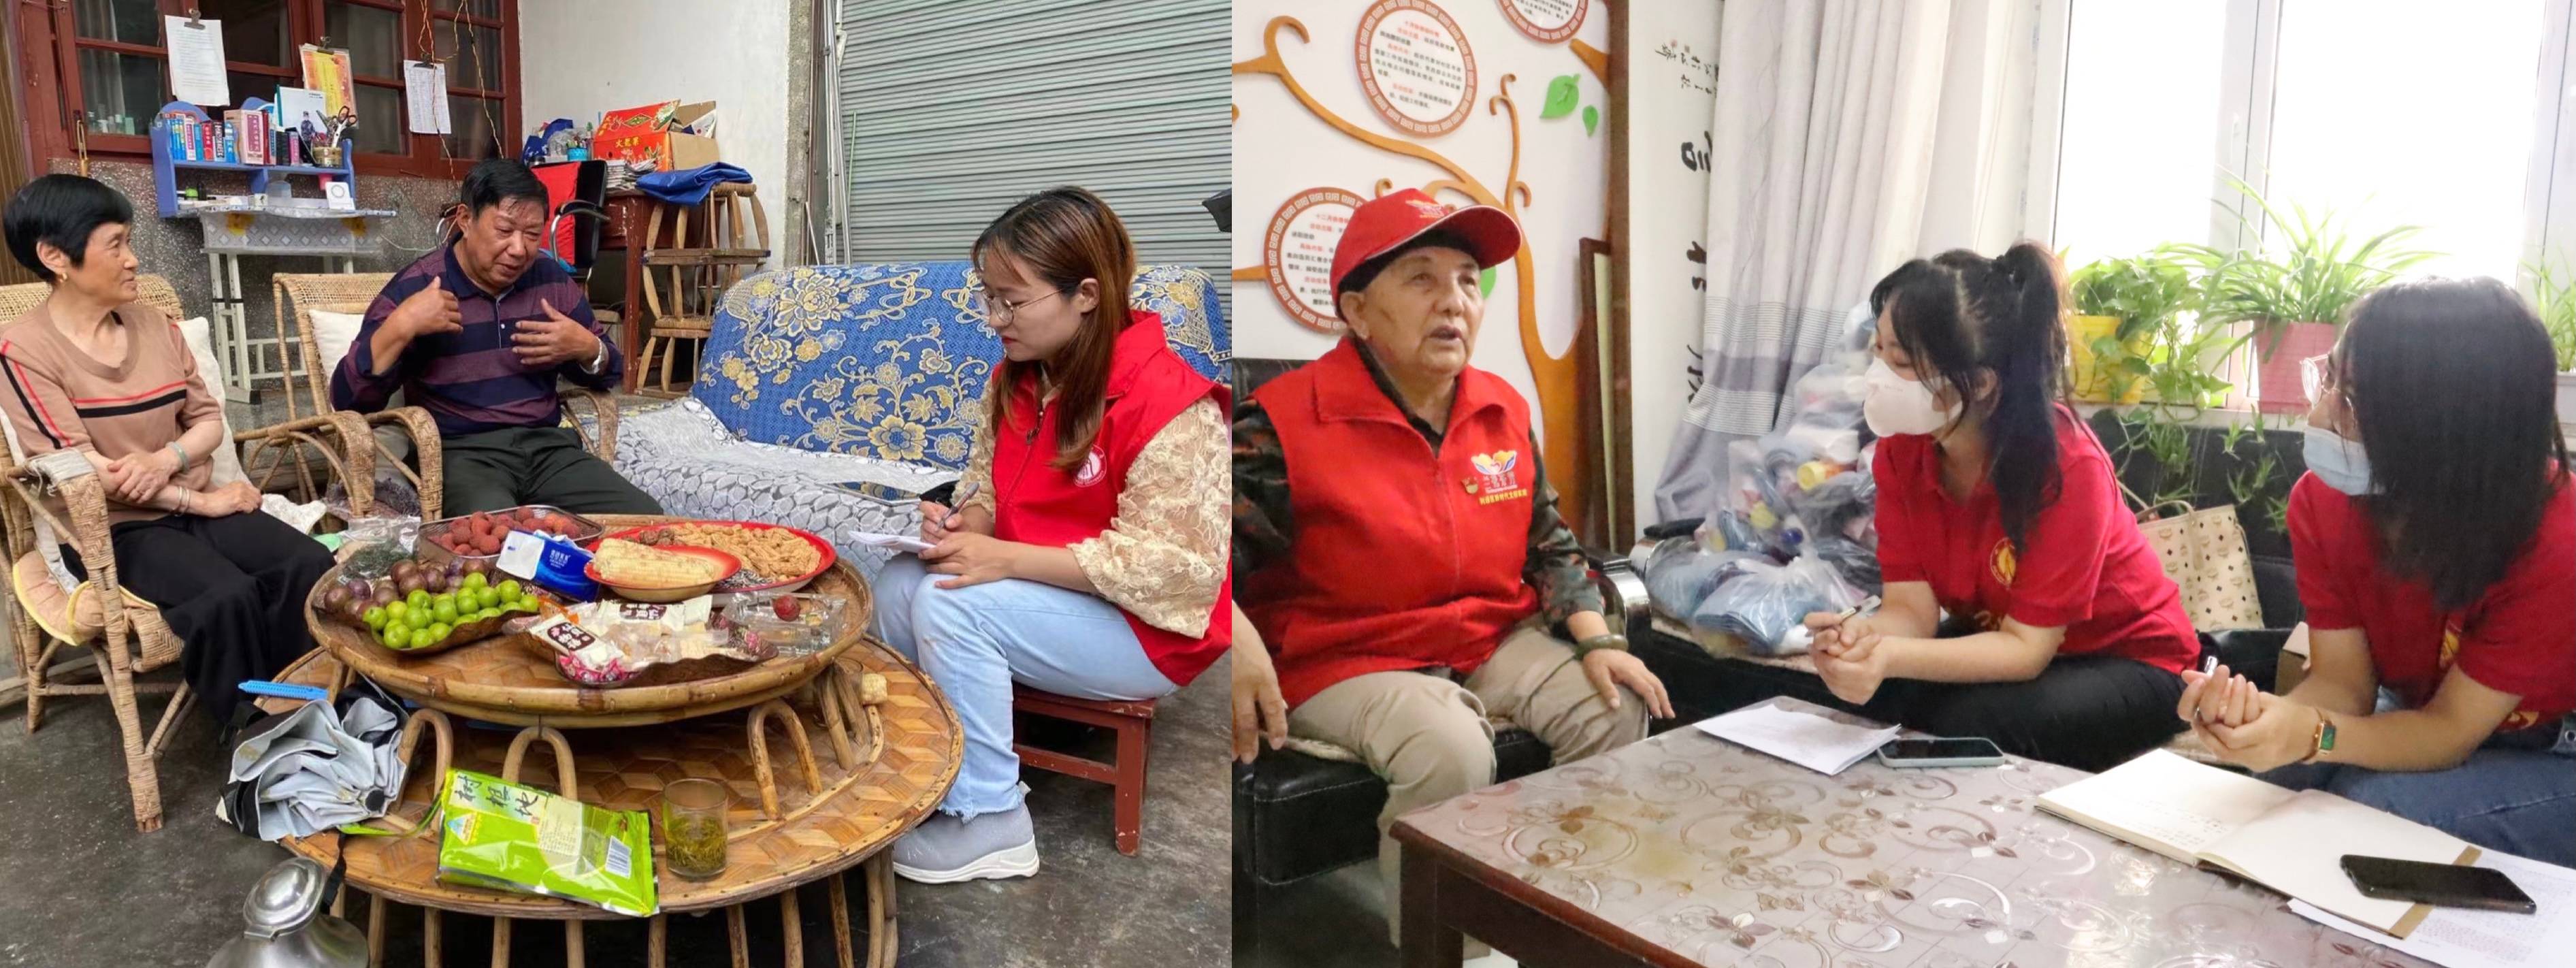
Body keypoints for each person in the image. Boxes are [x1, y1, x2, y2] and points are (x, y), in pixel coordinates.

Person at [1230, 189, 1674, 941]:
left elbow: (1549, 542)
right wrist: (1236, 641)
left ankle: (1560, 920)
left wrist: (1598, 639)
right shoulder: (1278, 422)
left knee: (1613, 704)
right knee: (1447, 746)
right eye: (1421, 279)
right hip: (1343, 657)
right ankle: (1438, 948)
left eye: (1468, 280)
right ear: (1358, 311)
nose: (1454, 301)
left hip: (1486, 639)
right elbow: (1201, 558)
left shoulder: (1501, 408)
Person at [870, 187, 1230, 883]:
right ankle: (923, 769)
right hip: (1049, 595)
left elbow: (1176, 569)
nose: (993, 319)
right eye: (988, 298)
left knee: (953, 603)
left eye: (1011, 301)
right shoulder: (1016, 379)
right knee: (898, 582)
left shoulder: (1169, 404)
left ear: (1085, 295)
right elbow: (984, 482)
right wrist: (966, 524)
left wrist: (1003, 557)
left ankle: (990, 820)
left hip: (1149, 630)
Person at [2185, 278, 2576, 865]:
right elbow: (2343, 685)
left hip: (2550, 746)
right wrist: (2263, 720)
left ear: (2441, 428)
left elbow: (2447, 733)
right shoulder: (2322, 502)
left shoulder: (2556, 540)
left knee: (2367, 810)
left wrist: (2312, 735)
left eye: (2349, 400)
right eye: (2328, 380)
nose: (2319, 413)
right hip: (2427, 714)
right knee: (2270, 788)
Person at [1802, 244, 2200, 772]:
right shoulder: (1902, 452)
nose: (1876, 377)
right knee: (1872, 698)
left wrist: (1888, 655)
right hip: (2012, 642)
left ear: (1981, 383)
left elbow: (2025, 650)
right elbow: (1910, 612)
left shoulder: (2067, 466)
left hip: (2132, 661)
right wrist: (1859, 639)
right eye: (1878, 352)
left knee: (1970, 724)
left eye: (1900, 362)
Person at [0, 174, 333, 724]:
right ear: (55, 256)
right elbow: (86, 470)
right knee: (225, 597)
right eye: (116, 244)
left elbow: (206, 421)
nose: (133, 260)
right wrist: (201, 501)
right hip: (114, 528)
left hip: (191, 503)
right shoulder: (24, 350)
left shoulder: (156, 325)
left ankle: (304, 702)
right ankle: (252, 728)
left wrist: (165, 460)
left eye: (130, 241)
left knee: (309, 563)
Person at [329, 159, 660, 516]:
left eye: (532, 234)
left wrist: (587, 348)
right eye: (505, 230)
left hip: (548, 450)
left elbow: (611, 372)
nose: (519, 249)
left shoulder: (549, 279)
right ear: (465, 220)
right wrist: (400, 326)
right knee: (499, 536)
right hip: (463, 456)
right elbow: (349, 400)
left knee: (646, 519)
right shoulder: (419, 286)